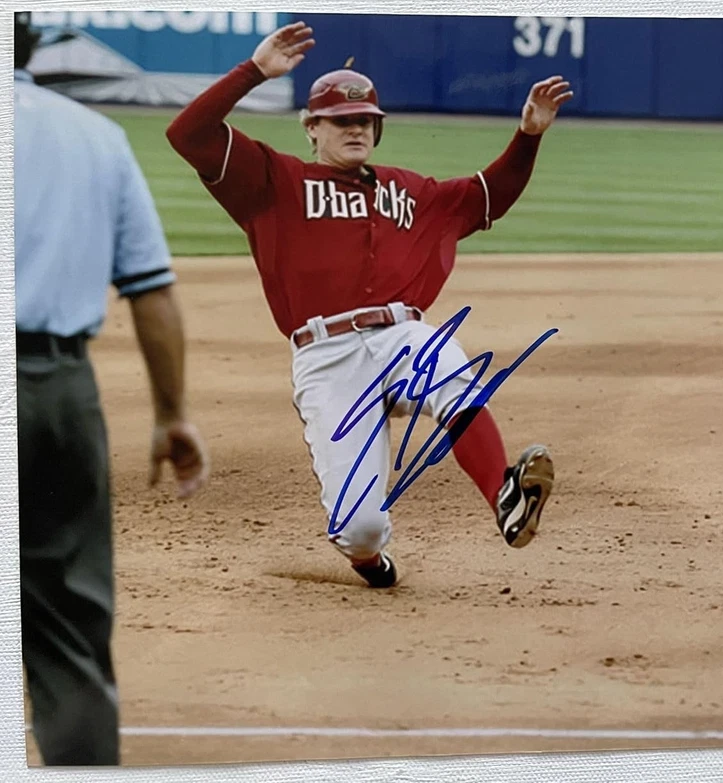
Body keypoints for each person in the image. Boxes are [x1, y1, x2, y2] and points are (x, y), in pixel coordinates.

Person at [166, 21, 570, 589]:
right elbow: (188, 134)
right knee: (358, 528)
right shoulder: (272, 183)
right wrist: (253, 72)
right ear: (312, 128)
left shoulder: (411, 191)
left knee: (445, 363)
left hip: (397, 337)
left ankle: (504, 496)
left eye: (365, 121)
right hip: (326, 360)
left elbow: (487, 195)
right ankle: (369, 561)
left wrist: (528, 136)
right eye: (341, 120)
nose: (356, 128)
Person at [14, 12, 210, 766]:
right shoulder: (95, 136)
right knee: (69, 627)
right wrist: (171, 414)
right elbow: (152, 290)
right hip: (59, 391)